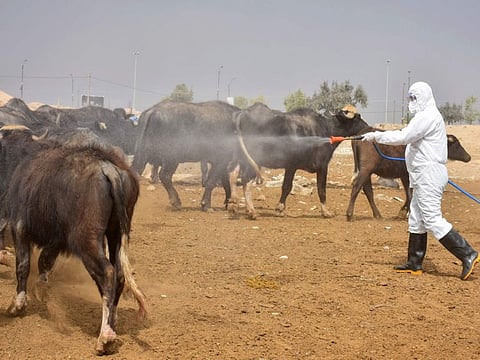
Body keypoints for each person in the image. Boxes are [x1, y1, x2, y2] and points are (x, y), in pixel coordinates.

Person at [362, 81, 479, 280]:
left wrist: (376, 136)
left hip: (429, 174)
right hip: (422, 174)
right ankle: (414, 262)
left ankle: (467, 253)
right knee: (416, 218)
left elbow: (405, 136)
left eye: (415, 98)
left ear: (424, 97)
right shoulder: (424, 117)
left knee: (432, 218)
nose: (412, 102)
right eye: (410, 98)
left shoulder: (428, 116)